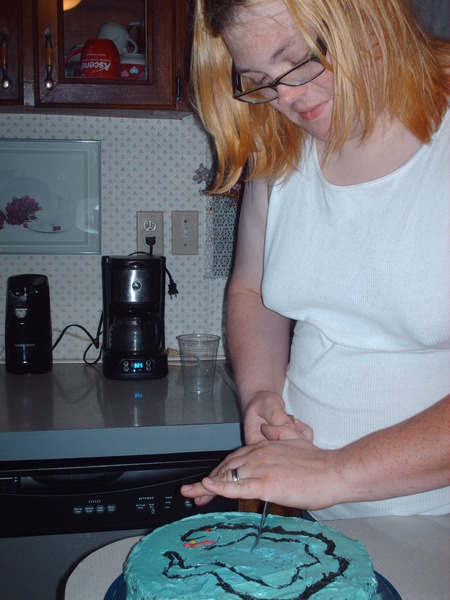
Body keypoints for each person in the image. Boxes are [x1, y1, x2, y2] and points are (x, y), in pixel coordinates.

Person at [181, 0, 450, 520]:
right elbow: (253, 291)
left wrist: (337, 472)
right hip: (308, 513)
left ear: (368, 19)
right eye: (258, 78)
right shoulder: (280, 150)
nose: (285, 95)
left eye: (300, 59)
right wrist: (260, 394)